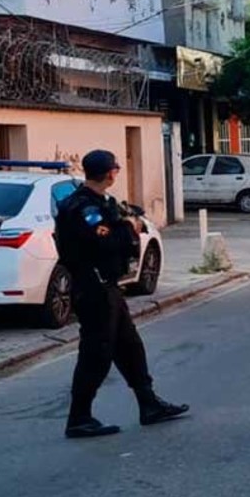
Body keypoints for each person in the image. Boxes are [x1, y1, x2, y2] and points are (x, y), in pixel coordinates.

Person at [55, 150, 189, 439]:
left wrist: (126, 221)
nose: (117, 172)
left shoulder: (102, 203)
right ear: (109, 173)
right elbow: (104, 242)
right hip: (93, 287)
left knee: (129, 346)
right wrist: (130, 228)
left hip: (108, 287)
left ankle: (148, 403)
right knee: (96, 353)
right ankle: (79, 417)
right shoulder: (83, 208)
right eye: (115, 169)